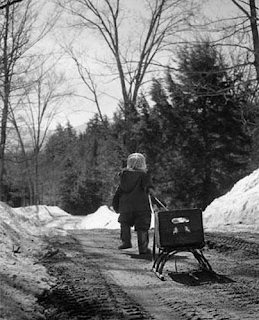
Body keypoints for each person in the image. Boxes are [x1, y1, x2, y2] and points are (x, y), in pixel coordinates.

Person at [112, 153, 155, 254]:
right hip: (141, 206)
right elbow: (148, 186)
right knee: (142, 227)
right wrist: (152, 192)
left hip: (126, 206)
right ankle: (143, 248)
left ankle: (126, 242)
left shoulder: (124, 176)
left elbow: (119, 191)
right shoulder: (144, 175)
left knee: (125, 223)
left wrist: (116, 205)